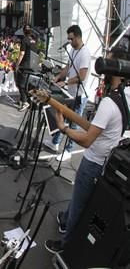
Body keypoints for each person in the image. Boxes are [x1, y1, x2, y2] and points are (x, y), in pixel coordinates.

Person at [31, 47, 128, 254]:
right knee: (79, 202)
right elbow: (90, 126)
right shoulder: (124, 96)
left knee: (79, 207)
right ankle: (67, 221)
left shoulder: (109, 103)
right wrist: (53, 102)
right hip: (105, 162)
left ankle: (65, 246)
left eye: (107, 63)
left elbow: (86, 140)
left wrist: (63, 127)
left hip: (93, 163)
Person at [43, 25, 91, 161]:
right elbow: (68, 67)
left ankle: (68, 150)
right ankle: (55, 143)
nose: (69, 41)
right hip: (70, 93)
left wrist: (66, 82)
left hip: (79, 95)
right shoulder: (74, 50)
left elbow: (81, 76)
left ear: (77, 36)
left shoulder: (85, 53)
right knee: (61, 118)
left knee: (74, 123)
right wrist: (58, 77)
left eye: (71, 38)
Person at [14, 25, 37, 111]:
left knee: (21, 85)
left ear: (24, 31)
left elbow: (22, 54)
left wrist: (17, 65)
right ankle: (21, 100)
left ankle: (25, 102)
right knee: (26, 84)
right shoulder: (34, 40)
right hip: (32, 66)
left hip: (24, 66)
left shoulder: (24, 40)